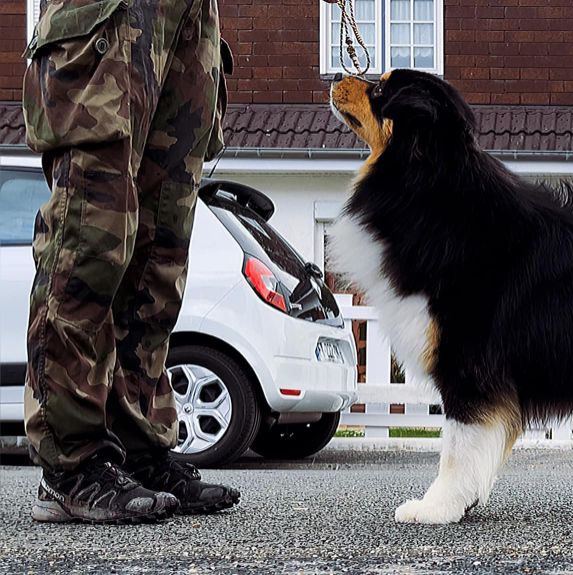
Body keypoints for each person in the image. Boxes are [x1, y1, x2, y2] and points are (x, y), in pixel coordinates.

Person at [21, 0, 339, 524]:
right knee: (91, 238)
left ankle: (138, 446)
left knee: (159, 255)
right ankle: (70, 461)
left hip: (189, 17)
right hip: (110, 14)